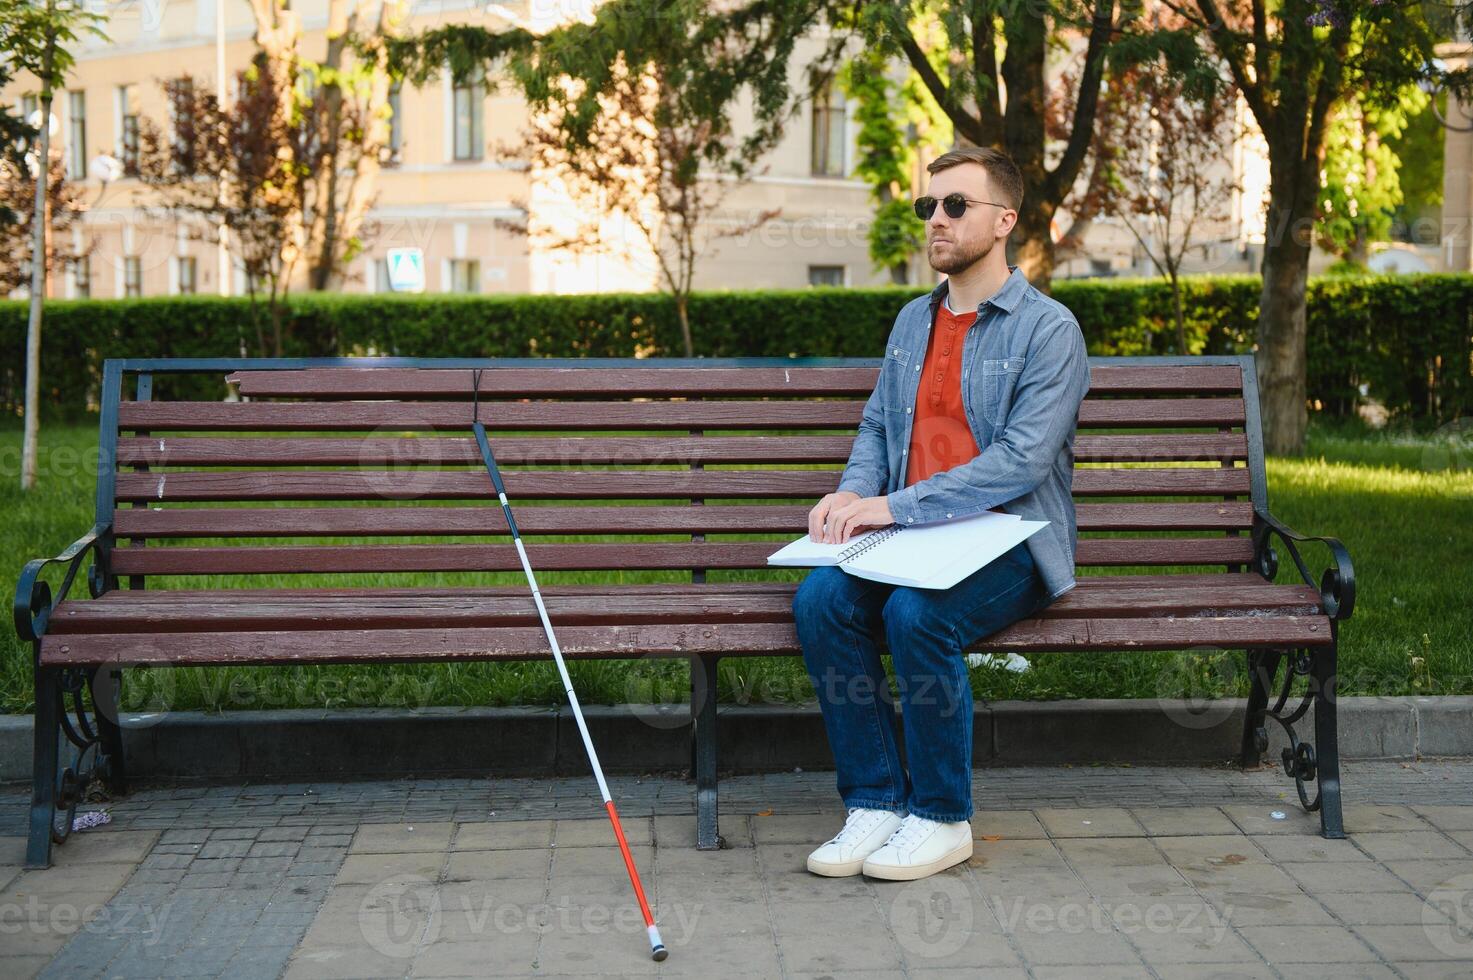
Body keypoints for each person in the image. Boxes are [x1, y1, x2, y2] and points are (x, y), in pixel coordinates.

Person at [791, 146, 1091, 882]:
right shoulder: (910, 322)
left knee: (917, 617)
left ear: (1003, 220)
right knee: (821, 601)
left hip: (1009, 541)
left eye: (956, 205)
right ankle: (875, 802)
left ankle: (940, 816)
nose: (937, 219)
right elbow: (876, 429)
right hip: (909, 535)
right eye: (928, 206)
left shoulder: (1047, 330)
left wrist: (891, 505)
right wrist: (852, 497)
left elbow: (1020, 461)